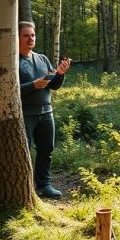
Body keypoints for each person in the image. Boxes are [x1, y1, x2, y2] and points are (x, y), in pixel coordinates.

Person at [18, 21, 71, 199]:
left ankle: (44, 186)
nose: (30, 38)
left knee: (46, 149)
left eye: (32, 35)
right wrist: (33, 85)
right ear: (17, 38)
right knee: (23, 150)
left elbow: (53, 86)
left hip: (46, 112)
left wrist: (60, 74)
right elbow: (10, 89)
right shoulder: (12, 61)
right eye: (26, 35)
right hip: (26, 114)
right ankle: (23, 187)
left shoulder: (42, 59)